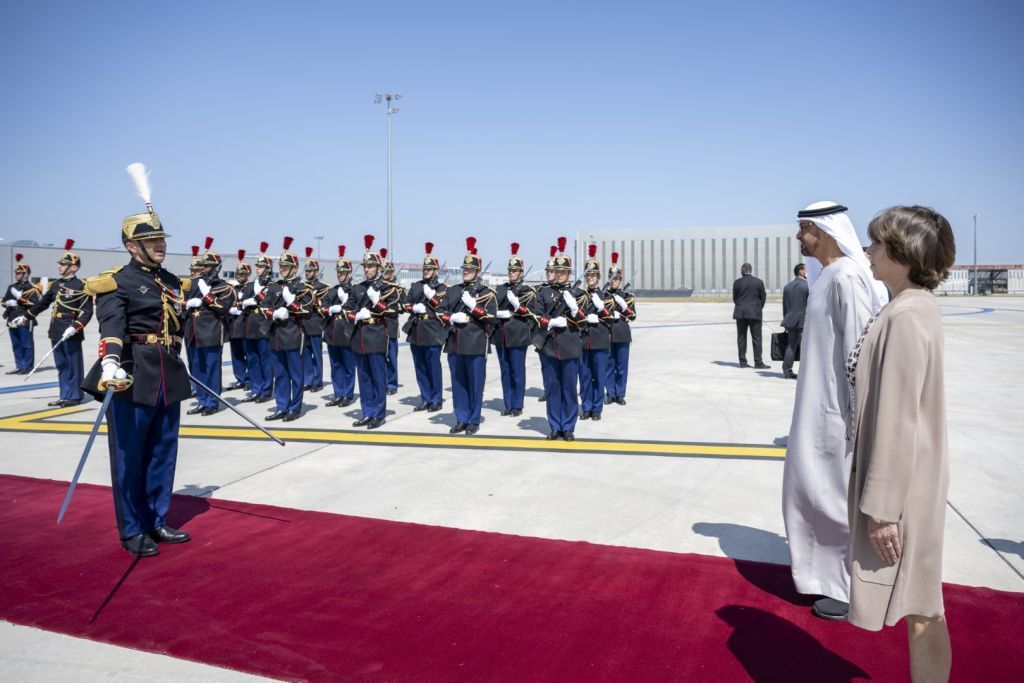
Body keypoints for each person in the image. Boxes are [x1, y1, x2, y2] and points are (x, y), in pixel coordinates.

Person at [847, 206, 956, 681]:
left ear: (904, 253)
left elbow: (897, 417)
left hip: (905, 490)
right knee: (920, 606)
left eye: (877, 244)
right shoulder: (904, 307)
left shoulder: (908, 314)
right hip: (910, 481)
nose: (868, 252)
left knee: (922, 609)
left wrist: (882, 509)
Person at [782, 200, 887, 621]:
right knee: (809, 492)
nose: (798, 236)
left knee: (832, 498)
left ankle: (846, 588)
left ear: (823, 232)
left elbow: (858, 354)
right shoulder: (828, 277)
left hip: (836, 414)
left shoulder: (846, 277)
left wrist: (856, 417)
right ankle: (821, 579)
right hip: (817, 407)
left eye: (803, 229)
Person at [80, 162, 192, 557]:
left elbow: (178, 323)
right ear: (132, 246)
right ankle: (132, 529)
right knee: (129, 455)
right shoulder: (118, 280)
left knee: (163, 450)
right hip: (130, 373)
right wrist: (110, 360)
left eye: (162, 239)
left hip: (167, 372)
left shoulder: (173, 282)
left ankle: (156, 519)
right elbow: (111, 323)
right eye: (153, 241)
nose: (161, 246)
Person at [19, 239, 93, 406]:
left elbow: (87, 311)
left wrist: (76, 326)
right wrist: (27, 315)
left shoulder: (81, 286)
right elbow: (43, 303)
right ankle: (64, 394)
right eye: (60, 264)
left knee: (73, 364)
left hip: (71, 329)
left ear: (73, 267)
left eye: (63, 264)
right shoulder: (56, 285)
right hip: (56, 329)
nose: (59, 267)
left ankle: (74, 396)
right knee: (61, 364)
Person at [440, 237, 497, 435]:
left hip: (475, 343)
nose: (466, 272)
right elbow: (440, 312)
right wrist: (452, 317)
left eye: (470, 269)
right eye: (464, 269)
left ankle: (473, 419)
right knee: (458, 383)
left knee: (475, 383)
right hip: (455, 342)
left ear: (478, 272)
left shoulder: (487, 293)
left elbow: (491, 317)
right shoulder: (453, 291)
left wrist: (474, 308)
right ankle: (461, 418)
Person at [534, 237, 588, 441]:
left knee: (569, 388)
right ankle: (554, 425)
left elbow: (583, 321)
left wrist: (574, 309)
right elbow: (537, 315)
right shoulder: (544, 292)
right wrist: (551, 322)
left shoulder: (578, 294)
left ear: (569, 274)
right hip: (549, 347)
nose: (560, 275)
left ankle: (568, 426)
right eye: (557, 272)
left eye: (563, 272)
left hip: (570, 347)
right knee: (553, 387)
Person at [259, 236, 315, 422]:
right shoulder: (274, 286)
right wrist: (275, 313)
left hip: (293, 334)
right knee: (280, 374)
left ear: (294, 268)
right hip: (275, 335)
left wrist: (291, 307)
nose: (281, 269)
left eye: (285, 266)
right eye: (280, 266)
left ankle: (294, 408)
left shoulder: (302, 287)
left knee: (295, 375)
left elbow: (307, 310)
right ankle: (282, 406)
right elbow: (264, 307)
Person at [344, 234, 396, 430]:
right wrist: (356, 315)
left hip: (377, 336)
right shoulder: (357, 288)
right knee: (364, 377)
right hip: (359, 337)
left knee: (377, 377)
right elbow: (347, 310)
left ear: (378, 268)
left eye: (371, 266)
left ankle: (379, 414)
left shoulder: (387, 288)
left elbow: (392, 310)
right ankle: (367, 412)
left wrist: (377, 302)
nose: (367, 270)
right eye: (365, 266)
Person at [183, 237, 235, 416]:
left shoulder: (222, 286)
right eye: (201, 266)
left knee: (212, 368)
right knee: (197, 368)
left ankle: (212, 402)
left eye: (206, 266)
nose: (202, 269)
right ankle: (202, 399)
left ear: (215, 267)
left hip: (211, 330)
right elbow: (182, 303)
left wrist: (207, 296)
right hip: (193, 331)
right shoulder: (195, 284)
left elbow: (223, 308)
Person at [492, 242, 537, 417]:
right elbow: (493, 305)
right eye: (510, 271)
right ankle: (508, 403)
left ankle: (517, 405)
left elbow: (531, 314)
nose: (511, 273)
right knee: (505, 371)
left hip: (517, 334)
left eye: (514, 271)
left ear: (521, 273)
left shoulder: (527, 290)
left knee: (517, 371)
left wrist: (516, 306)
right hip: (501, 335)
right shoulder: (501, 288)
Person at [403, 241, 448, 412]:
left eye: (429, 269)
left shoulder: (442, 288)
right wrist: (414, 307)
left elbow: (442, 306)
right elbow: (405, 304)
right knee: (420, 366)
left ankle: (436, 399)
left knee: (433, 366)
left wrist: (431, 297)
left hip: (433, 331)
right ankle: (425, 398)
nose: (426, 271)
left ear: (436, 270)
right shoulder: (416, 286)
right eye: (425, 269)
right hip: (416, 330)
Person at [578, 244, 613, 421]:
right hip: (583, 341)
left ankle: (597, 408)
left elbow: (612, 319)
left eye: (593, 275)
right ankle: (586, 406)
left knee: (599, 376)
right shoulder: (579, 296)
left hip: (599, 341)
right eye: (588, 275)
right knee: (585, 377)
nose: (590, 278)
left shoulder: (606, 296)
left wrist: (600, 313)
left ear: (598, 277)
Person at [238, 242, 274, 404]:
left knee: (265, 359)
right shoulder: (251, 285)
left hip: (263, 325)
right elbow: (241, 303)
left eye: (261, 266)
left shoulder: (272, 286)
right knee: (252, 359)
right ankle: (256, 388)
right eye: (257, 266)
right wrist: (249, 302)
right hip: (249, 325)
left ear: (268, 268)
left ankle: (266, 390)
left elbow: (266, 302)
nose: (258, 268)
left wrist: (250, 301)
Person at [321, 245, 357, 407]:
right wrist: (331, 309)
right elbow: (322, 308)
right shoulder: (332, 290)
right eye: (339, 272)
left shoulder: (355, 291)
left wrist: (345, 304)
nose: (340, 275)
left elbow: (357, 309)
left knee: (348, 366)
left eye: (343, 272)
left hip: (347, 332)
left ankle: (348, 395)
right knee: (336, 365)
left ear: (349, 273)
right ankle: (338, 393)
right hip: (332, 333)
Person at [603, 252, 636, 405]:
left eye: (616, 279)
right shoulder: (603, 295)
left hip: (622, 333)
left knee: (622, 366)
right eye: (611, 278)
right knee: (609, 365)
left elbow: (633, 316)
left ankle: (620, 393)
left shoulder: (627, 296)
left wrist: (624, 306)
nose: (614, 281)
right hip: (608, 333)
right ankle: (610, 393)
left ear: (620, 280)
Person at [3, 254, 39, 374]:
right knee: (16, 344)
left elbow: (36, 304)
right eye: (16, 273)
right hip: (12, 317)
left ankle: (27, 366)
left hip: (25, 317)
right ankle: (19, 365)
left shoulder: (32, 289)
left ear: (26, 274)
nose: (17, 275)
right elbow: (4, 301)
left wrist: (21, 300)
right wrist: (7, 303)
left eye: (19, 273)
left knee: (26, 344)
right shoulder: (11, 287)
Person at [300, 247, 329, 393]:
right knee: (305, 354)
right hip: (303, 324)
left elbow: (322, 306)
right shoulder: (301, 287)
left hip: (316, 324)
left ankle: (317, 381)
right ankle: (308, 380)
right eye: (306, 271)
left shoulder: (323, 288)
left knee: (317, 355)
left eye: (310, 271)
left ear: (316, 272)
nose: (307, 273)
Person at [534, 245, 558, 404]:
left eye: (552, 271)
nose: (549, 273)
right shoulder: (540, 290)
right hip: (544, 333)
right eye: (547, 271)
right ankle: (547, 389)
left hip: (559, 334)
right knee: (545, 365)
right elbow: (537, 312)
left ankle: (554, 390)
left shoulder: (563, 291)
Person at [732, 263, 768, 369]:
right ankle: (758, 362)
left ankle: (742, 362)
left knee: (741, 337)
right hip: (754, 313)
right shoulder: (758, 282)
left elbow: (735, 298)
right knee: (757, 338)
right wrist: (758, 308)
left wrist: (741, 306)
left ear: (742, 271)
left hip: (741, 313)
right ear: (750, 270)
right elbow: (763, 297)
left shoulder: (737, 283)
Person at [379, 248, 405, 395]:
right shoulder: (377, 288)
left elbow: (402, 306)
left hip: (391, 325)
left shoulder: (398, 289)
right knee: (380, 358)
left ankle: (392, 384)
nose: (385, 275)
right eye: (383, 272)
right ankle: (382, 381)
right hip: (377, 327)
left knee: (391, 357)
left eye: (388, 272)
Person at [225, 250, 251, 392]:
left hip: (245, 325)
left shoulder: (251, 288)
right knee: (236, 355)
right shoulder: (232, 288)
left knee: (249, 354)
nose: (240, 276)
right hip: (233, 325)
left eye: (243, 274)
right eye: (238, 274)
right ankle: (240, 379)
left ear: (248, 275)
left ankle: (250, 379)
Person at [780, 263, 809, 379]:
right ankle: (805, 373)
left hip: (790, 321)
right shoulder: (807, 286)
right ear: (801, 271)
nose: (807, 272)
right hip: (803, 321)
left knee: (790, 347)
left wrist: (786, 319)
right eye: (806, 270)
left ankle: (787, 371)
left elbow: (784, 306)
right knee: (805, 348)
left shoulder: (787, 286)